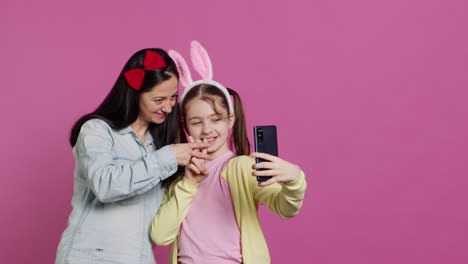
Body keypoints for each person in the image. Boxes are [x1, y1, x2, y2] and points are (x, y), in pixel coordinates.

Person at [149, 41, 307, 264]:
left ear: (230, 120)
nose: (207, 130)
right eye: (196, 122)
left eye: (216, 119)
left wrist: (294, 180)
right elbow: (160, 236)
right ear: (185, 125)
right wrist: (188, 184)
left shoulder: (242, 168)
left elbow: (285, 207)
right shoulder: (181, 180)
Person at [56, 48, 208, 264]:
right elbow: (104, 185)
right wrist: (168, 157)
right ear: (135, 94)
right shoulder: (97, 130)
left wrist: (189, 180)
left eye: (173, 97)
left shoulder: (161, 143)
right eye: (159, 99)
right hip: (89, 257)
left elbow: (162, 225)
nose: (168, 107)